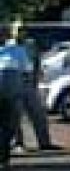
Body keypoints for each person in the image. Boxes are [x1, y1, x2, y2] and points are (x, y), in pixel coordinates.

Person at [8, 21, 59, 152]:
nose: (20, 33)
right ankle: (18, 143)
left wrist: (36, 79)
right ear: (12, 31)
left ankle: (44, 142)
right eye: (18, 30)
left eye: (22, 30)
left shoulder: (31, 44)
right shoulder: (8, 46)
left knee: (38, 114)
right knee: (15, 115)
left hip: (29, 82)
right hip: (15, 82)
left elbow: (37, 61)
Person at [0, 26, 28, 171]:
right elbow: (24, 71)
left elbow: (25, 70)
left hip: (11, 93)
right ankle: (4, 158)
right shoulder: (17, 51)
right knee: (6, 126)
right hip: (10, 92)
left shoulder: (18, 50)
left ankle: (4, 158)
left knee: (8, 126)